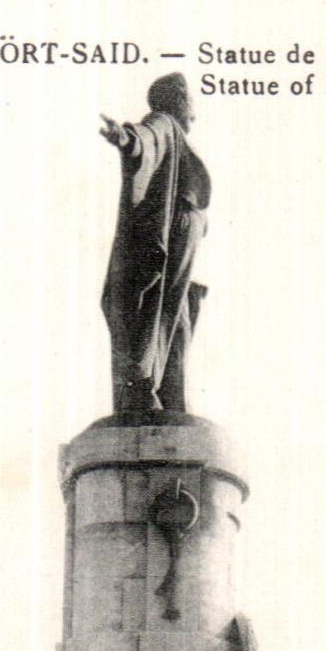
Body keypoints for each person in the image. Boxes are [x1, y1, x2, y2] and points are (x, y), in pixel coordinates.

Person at [100, 74, 210, 415]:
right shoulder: (164, 123)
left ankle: (161, 388)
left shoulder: (174, 132)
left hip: (184, 227)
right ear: (177, 100)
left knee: (171, 308)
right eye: (191, 101)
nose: (195, 113)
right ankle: (146, 385)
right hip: (176, 225)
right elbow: (145, 139)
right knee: (160, 305)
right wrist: (125, 137)